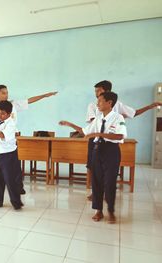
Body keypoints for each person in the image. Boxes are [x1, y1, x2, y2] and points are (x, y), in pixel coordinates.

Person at [85, 80, 162, 201]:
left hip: (110, 142)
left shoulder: (117, 105)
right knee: (94, 167)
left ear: (107, 91)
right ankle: (96, 192)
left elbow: (133, 113)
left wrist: (150, 106)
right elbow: (95, 122)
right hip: (95, 140)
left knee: (108, 168)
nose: (96, 93)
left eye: (99, 90)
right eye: (95, 91)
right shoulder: (92, 105)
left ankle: (107, 191)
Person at [60, 91, 126, 224]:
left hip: (111, 152)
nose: (97, 103)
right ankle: (98, 210)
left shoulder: (118, 118)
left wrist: (99, 134)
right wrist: (69, 124)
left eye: (100, 100)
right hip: (97, 151)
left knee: (109, 182)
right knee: (96, 182)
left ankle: (111, 211)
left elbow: (120, 136)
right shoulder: (98, 118)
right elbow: (85, 131)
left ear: (109, 103)